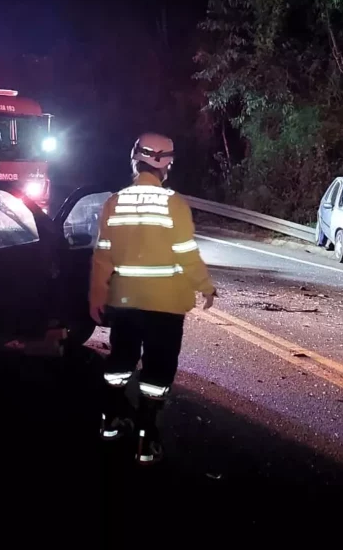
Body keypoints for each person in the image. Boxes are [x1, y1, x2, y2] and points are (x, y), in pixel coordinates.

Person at [89, 132, 217, 465]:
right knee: (158, 369)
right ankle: (147, 438)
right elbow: (186, 252)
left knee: (121, 360)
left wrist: (97, 294)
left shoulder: (114, 202)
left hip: (125, 301)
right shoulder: (174, 203)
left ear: (135, 161)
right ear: (167, 164)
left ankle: (110, 420)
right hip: (166, 304)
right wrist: (204, 285)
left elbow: (103, 254)